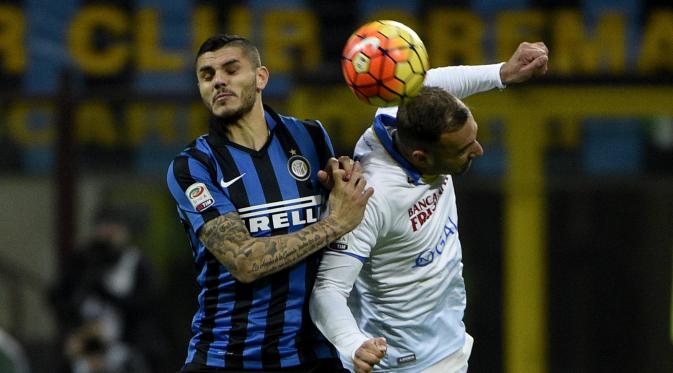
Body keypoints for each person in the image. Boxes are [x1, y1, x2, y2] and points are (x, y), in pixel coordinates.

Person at [309, 42, 549, 373]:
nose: (478, 150)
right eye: (464, 148)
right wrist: (353, 345)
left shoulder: (399, 113)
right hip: (404, 364)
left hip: (448, 343)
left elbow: (432, 82)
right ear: (421, 157)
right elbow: (328, 289)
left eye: (474, 137)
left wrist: (502, 72)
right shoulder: (370, 195)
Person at [165, 34, 373, 373]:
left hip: (313, 355)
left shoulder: (310, 137)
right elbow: (244, 261)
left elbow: (349, 218)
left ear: (261, 77)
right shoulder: (193, 166)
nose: (218, 80)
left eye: (231, 70)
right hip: (225, 358)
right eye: (207, 75)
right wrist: (335, 223)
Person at [50, 207, 167, 373]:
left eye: (114, 230)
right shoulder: (81, 261)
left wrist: (105, 293)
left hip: (126, 343)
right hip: (86, 343)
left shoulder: (136, 262)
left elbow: (147, 306)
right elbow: (59, 298)